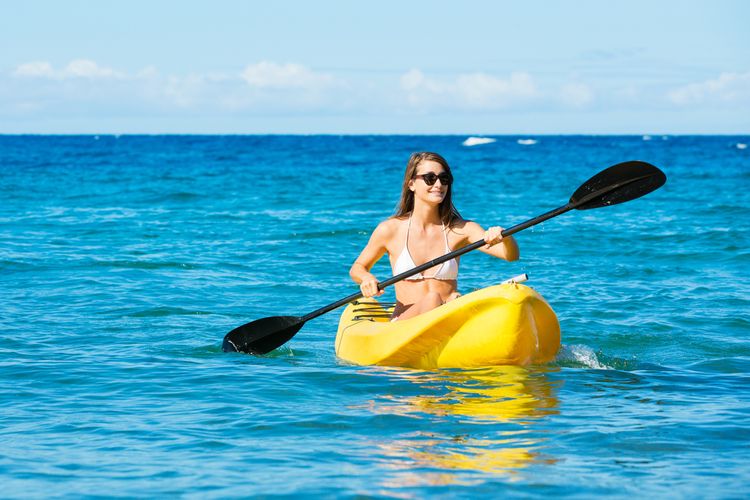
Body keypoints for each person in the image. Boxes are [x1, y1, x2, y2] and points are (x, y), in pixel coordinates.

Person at [349, 152, 519, 321]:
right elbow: (358, 267)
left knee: (451, 299)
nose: (438, 184)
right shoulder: (390, 229)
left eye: (444, 179)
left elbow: (510, 256)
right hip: (404, 325)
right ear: (411, 184)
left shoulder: (461, 229)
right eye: (430, 178)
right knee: (433, 298)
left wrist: (504, 236)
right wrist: (367, 278)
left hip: (447, 319)